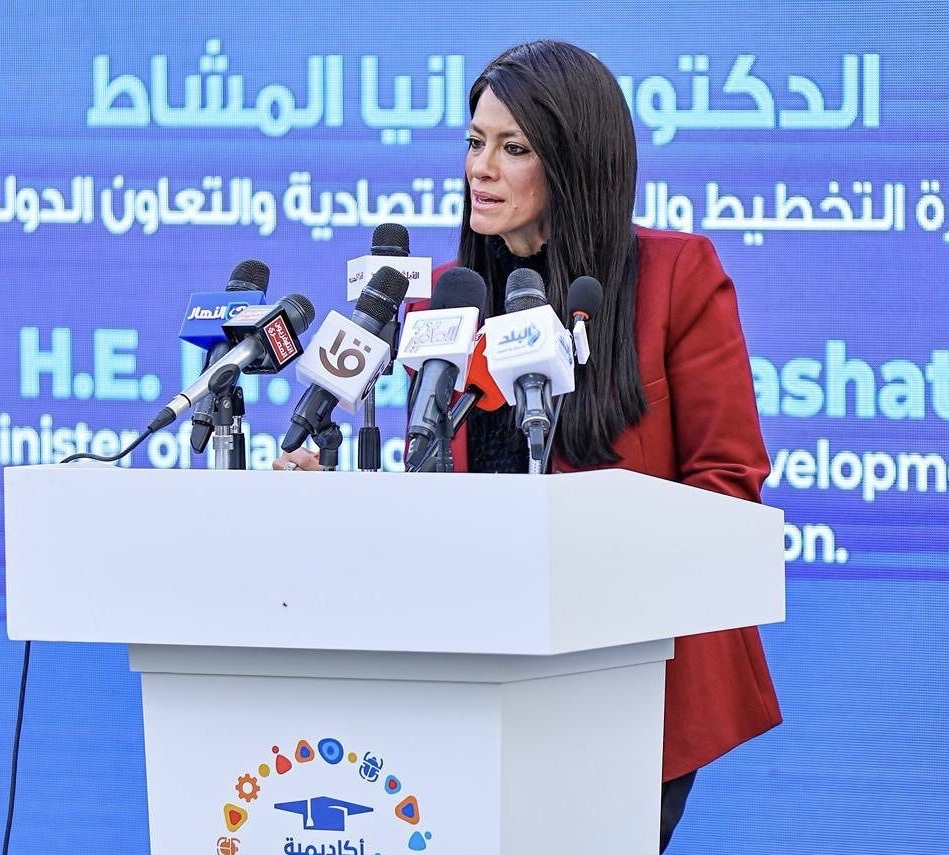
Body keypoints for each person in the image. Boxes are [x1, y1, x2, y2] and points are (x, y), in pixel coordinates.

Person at [275, 39, 781, 852]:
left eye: (513, 148)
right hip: (473, 674)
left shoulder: (676, 276)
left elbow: (727, 484)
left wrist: (595, 555)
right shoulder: (446, 301)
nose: (481, 168)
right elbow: (432, 490)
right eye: (475, 142)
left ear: (574, 163)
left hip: (626, 679)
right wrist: (340, 495)